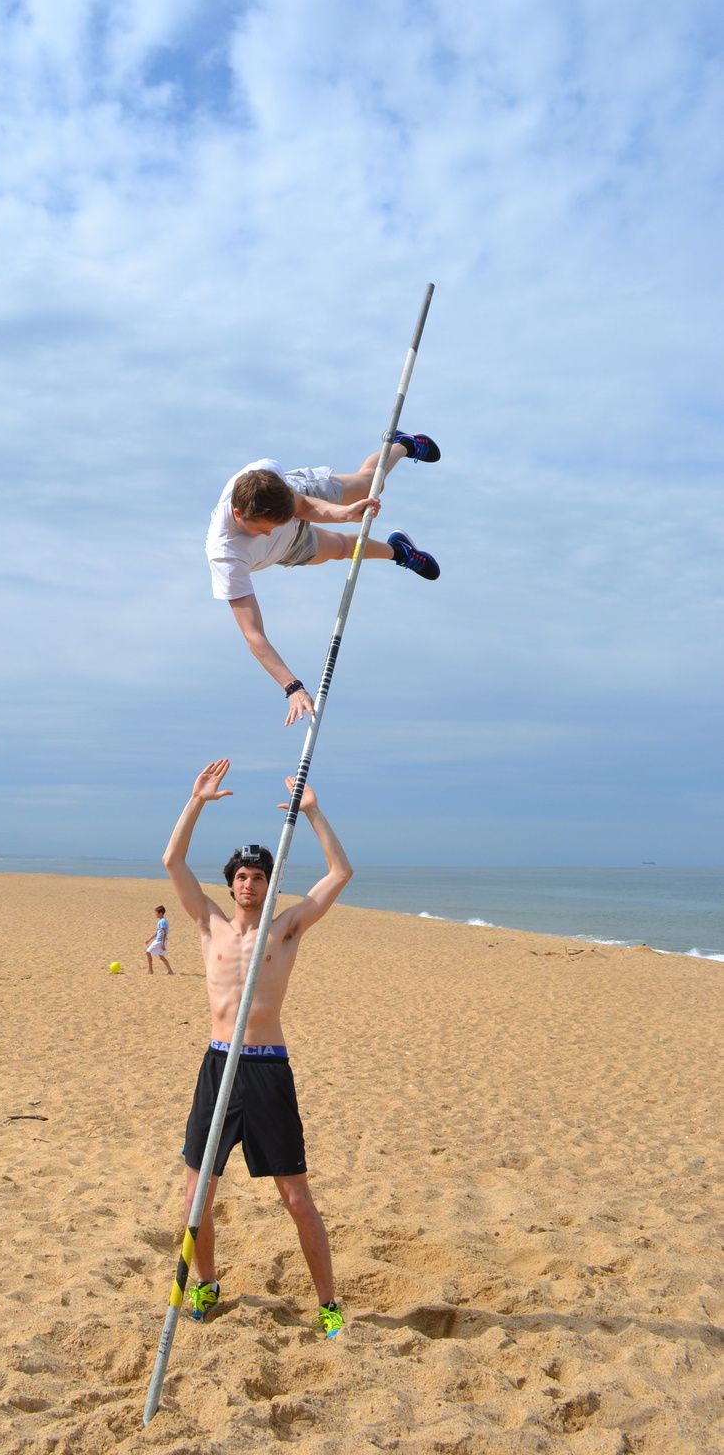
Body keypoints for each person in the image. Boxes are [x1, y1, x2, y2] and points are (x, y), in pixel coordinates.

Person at [162, 757, 352, 1339]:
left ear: (270, 882)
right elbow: (172, 861)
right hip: (218, 1064)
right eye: (241, 876)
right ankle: (207, 1284)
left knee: (295, 1197)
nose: (248, 883)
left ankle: (327, 1304)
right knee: (199, 1194)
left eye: (258, 875)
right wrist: (196, 800)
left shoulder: (286, 929)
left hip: (267, 1069)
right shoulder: (208, 924)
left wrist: (314, 812)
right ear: (231, 883)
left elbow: (340, 872)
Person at [205, 434, 441, 725]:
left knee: (369, 485)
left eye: (270, 527)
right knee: (342, 549)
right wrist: (292, 686)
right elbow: (253, 634)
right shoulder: (225, 555)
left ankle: (402, 444)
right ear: (238, 515)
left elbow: (302, 506)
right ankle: (399, 552)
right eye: (261, 530)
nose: (267, 533)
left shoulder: (266, 479)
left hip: (297, 498)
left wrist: (344, 514)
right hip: (285, 548)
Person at [145, 904, 174, 976]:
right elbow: (157, 932)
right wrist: (149, 940)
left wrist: (163, 944)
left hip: (160, 941)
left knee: (148, 952)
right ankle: (170, 971)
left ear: (160, 913)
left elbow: (164, 932)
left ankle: (150, 970)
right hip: (160, 940)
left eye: (156, 913)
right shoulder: (161, 921)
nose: (155, 914)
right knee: (161, 956)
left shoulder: (162, 921)